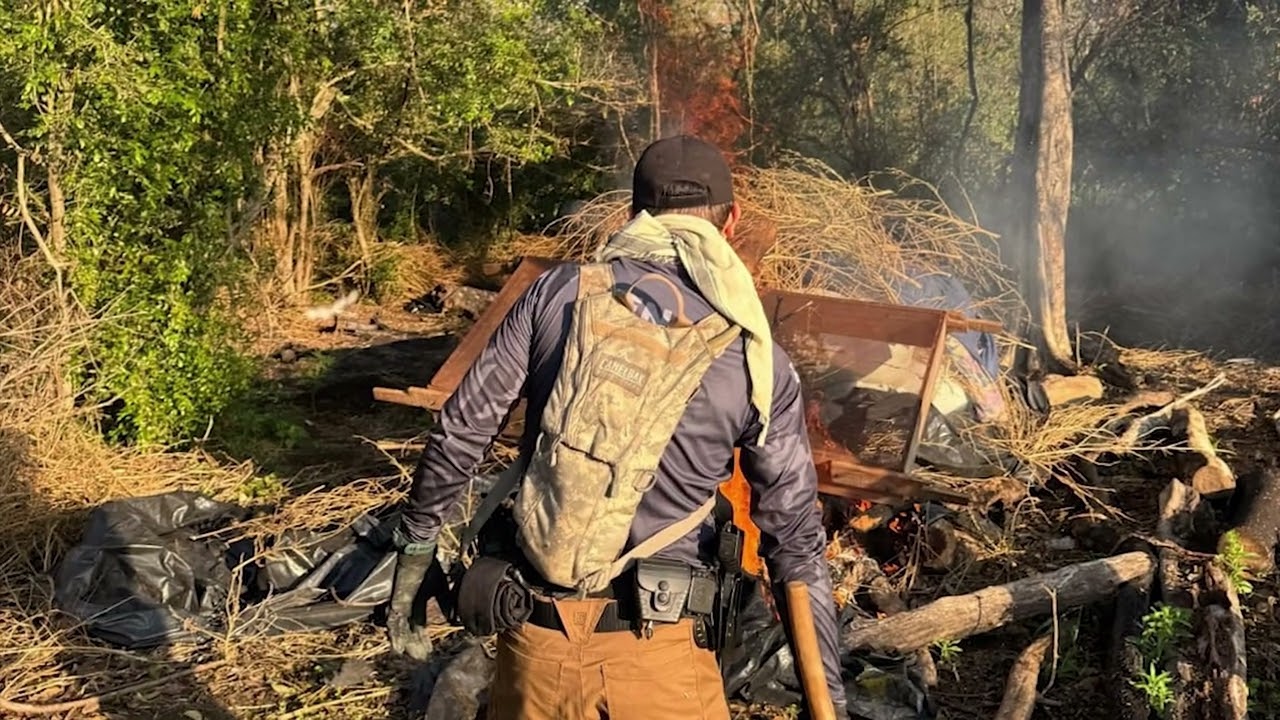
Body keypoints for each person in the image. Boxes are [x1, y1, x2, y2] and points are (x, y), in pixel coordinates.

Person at [385, 134, 847, 719]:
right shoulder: (754, 356)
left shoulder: (554, 295)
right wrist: (826, 699)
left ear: (632, 216)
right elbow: (795, 544)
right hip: (660, 664)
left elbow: (462, 428)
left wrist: (415, 552)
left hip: (535, 652)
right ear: (731, 222)